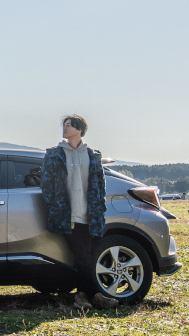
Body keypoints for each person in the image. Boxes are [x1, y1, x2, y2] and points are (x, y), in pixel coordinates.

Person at [41, 114, 119, 310]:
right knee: (82, 256)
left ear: (79, 129)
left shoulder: (92, 155)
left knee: (83, 258)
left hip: (89, 215)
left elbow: (99, 186)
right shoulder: (54, 154)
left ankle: (83, 297)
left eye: (69, 125)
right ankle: (96, 296)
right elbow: (46, 184)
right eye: (64, 125)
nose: (65, 128)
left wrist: (99, 208)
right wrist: (53, 205)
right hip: (66, 216)